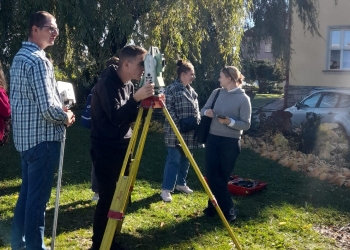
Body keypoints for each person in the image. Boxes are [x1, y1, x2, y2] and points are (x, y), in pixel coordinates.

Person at [9, 11, 75, 250]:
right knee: (37, 202)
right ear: (34, 29)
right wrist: (65, 115)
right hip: (43, 140)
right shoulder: (39, 60)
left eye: (56, 28)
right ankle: (35, 247)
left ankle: (19, 244)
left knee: (27, 197)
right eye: (50, 28)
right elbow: (49, 109)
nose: (55, 33)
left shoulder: (18, 57)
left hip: (25, 141)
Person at [90, 45, 154, 249]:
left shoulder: (128, 84)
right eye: (141, 64)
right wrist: (136, 99)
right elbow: (116, 117)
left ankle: (112, 238)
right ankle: (100, 243)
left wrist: (144, 101)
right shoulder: (106, 84)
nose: (144, 69)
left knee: (121, 195)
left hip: (123, 145)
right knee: (108, 197)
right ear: (126, 64)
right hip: (106, 148)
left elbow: (130, 116)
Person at [201, 66, 251, 222]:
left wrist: (230, 122)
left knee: (221, 177)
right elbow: (204, 108)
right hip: (212, 138)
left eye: (221, 76)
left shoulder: (244, 99)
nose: (218, 79)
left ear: (229, 79)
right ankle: (223, 208)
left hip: (230, 142)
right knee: (211, 175)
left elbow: (246, 124)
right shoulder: (216, 93)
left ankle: (220, 209)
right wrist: (206, 112)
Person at [160, 60, 201, 202]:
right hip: (175, 131)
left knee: (186, 159)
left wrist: (197, 122)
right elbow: (168, 109)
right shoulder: (172, 89)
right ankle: (166, 189)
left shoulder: (191, 90)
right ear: (183, 74)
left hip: (189, 132)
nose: (193, 77)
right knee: (174, 159)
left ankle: (181, 184)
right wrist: (178, 125)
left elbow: (197, 110)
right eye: (191, 74)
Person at [90, 56, 120, 201]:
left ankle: (99, 190)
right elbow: (114, 114)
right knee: (100, 165)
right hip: (103, 135)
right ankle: (98, 191)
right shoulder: (106, 84)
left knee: (99, 164)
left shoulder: (103, 82)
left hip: (102, 134)